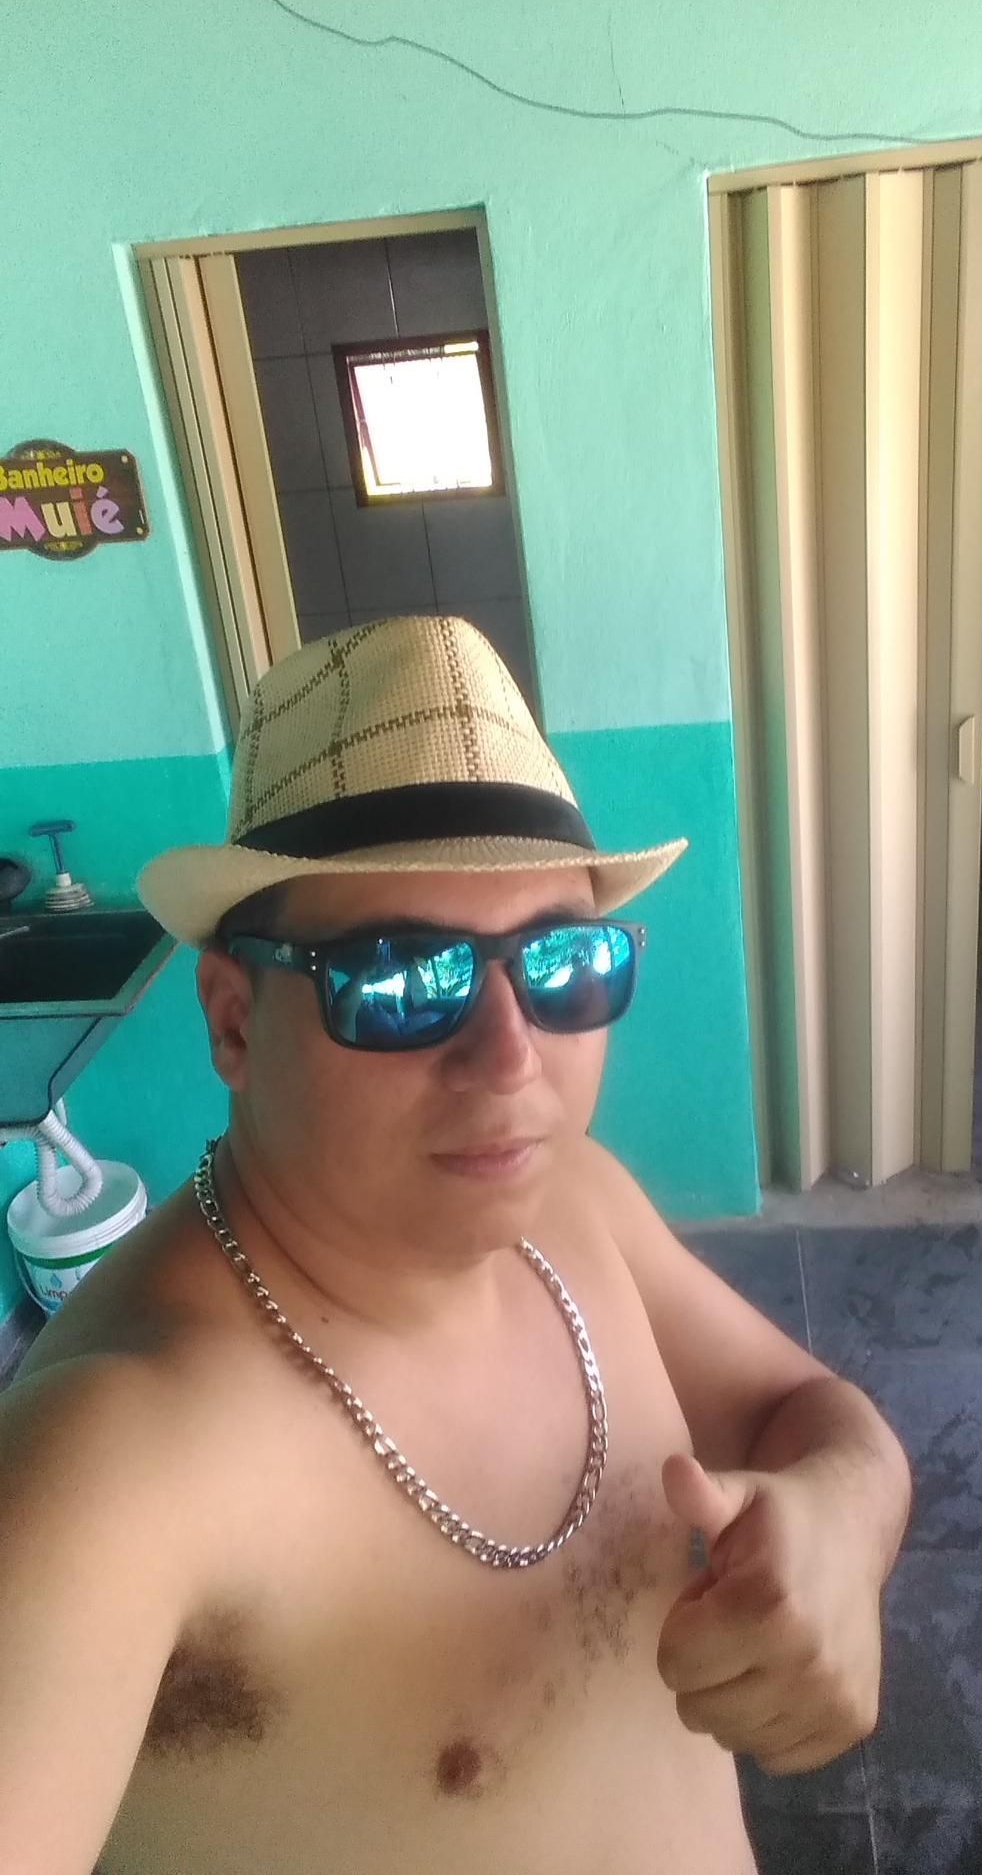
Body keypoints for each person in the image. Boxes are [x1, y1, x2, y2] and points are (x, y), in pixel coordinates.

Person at [0, 617, 910, 1875]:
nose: (509, 1056)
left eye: (564, 963)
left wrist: (843, 1524)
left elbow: (804, 1411)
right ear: (234, 1019)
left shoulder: (575, 1202)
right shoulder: (112, 1462)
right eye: (397, 979)